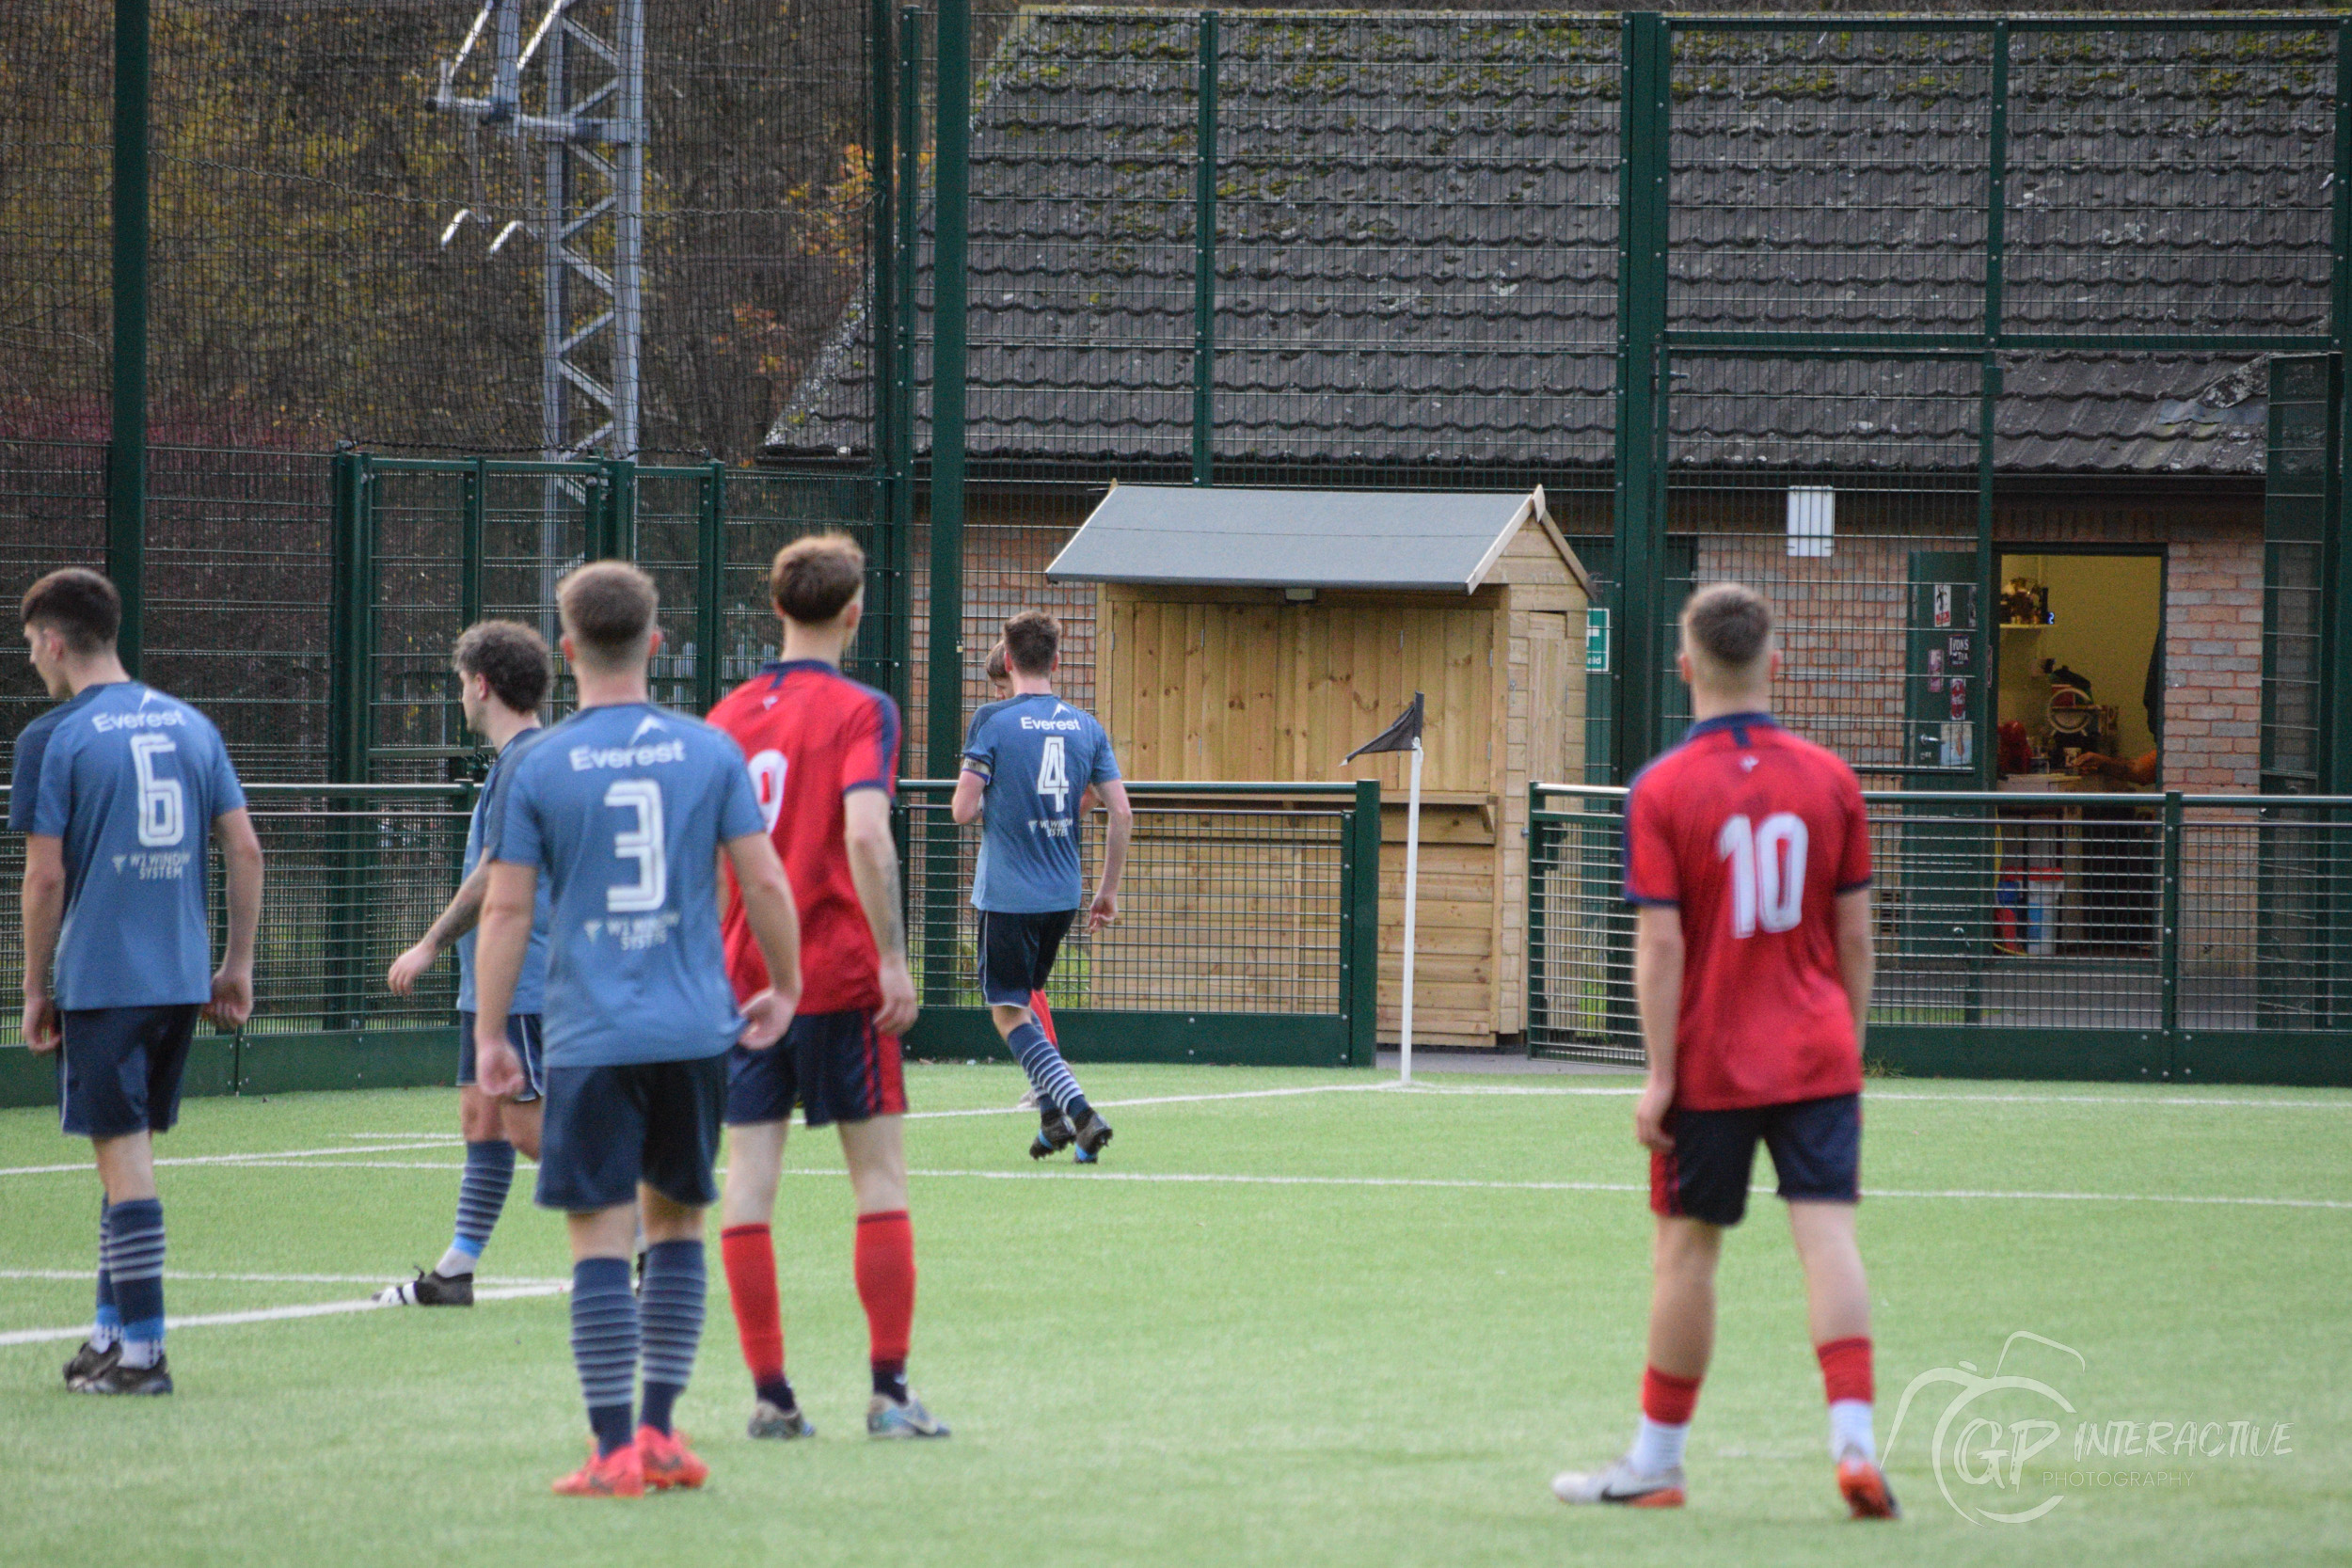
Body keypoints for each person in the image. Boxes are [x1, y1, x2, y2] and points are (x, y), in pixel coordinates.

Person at [1551, 583, 1899, 1520]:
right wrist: (1845, 1047)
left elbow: (1660, 946)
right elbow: (1857, 937)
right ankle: (1855, 1444)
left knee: (1686, 1254)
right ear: (1773, 664)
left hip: (1710, 1061)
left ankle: (1656, 1464)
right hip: (1817, 1052)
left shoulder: (1663, 787)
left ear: (1685, 667)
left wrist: (1660, 1074)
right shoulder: (1831, 780)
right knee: (1828, 1238)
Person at [470, 561, 803, 1497]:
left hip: (591, 1035)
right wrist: (785, 984)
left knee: (600, 1241)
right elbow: (763, 878)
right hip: (694, 1031)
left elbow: (506, 910)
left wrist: (492, 1033)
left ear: (568, 648)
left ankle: (613, 1446)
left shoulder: (538, 764)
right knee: (678, 1225)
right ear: (656, 644)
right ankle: (658, 1432)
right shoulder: (709, 751)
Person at [707, 532, 948, 1443]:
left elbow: (713, 857)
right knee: (878, 1178)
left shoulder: (727, 714)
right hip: (841, 977)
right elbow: (867, 833)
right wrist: (893, 956)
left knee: (748, 1184)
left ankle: (772, 1397)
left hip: (747, 983)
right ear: (854, 612)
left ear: (776, 607)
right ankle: (889, 1393)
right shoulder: (863, 708)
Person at [12, 568, 263, 1396]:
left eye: (30, 645)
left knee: (123, 1163)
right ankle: (109, 1333)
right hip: (180, 976)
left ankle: (145, 1354)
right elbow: (246, 848)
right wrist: (235, 965)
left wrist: (34, 987)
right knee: (125, 1156)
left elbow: (44, 878)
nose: (31, 660)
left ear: (55, 641)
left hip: (103, 980)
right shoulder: (191, 724)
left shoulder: (55, 737)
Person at [377, 621, 555, 1306]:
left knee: (533, 1133)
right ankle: (455, 1271)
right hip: (490, 985)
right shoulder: (513, 762)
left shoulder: (525, 761)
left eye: (460, 684)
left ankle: (646, 1246)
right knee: (482, 1120)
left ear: (482, 685)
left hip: (522, 981)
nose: (459, 697)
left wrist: (428, 944)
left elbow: (492, 875)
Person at [951, 610, 1131, 1161]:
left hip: (1008, 894)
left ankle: (1080, 1112)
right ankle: (1053, 1120)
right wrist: (1106, 891)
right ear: (1056, 661)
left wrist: (994, 796)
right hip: (1062, 894)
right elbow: (1121, 812)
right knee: (1024, 1002)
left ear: (1007, 660)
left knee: (1007, 1012)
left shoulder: (991, 719)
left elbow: (962, 810)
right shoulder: (1087, 726)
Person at [985, 640, 1062, 1112]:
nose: (1000, 697)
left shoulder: (1004, 729)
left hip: (1020, 876)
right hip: (1052, 873)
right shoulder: (1067, 724)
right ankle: (1050, 1072)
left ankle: (1050, 1073)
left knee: (1020, 987)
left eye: (1002, 686)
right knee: (1029, 983)